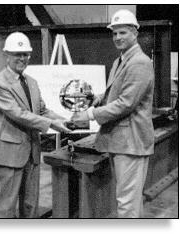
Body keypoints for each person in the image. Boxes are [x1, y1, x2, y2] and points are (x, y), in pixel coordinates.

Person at [71, 9, 155, 218]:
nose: (117, 37)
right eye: (114, 33)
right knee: (128, 202)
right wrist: (100, 97)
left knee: (127, 205)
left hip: (131, 143)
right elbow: (120, 91)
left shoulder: (139, 62)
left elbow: (126, 103)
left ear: (135, 32)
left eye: (123, 32)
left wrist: (89, 114)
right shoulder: (121, 60)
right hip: (121, 141)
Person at [0, 32, 71, 218]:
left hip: (31, 153)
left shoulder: (31, 82)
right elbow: (18, 114)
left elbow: (41, 110)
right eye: (18, 54)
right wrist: (52, 124)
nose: (22, 58)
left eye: (25, 54)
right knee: (3, 208)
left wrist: (66, 120)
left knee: (30, 206)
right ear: (6, 55)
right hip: (7, 155)